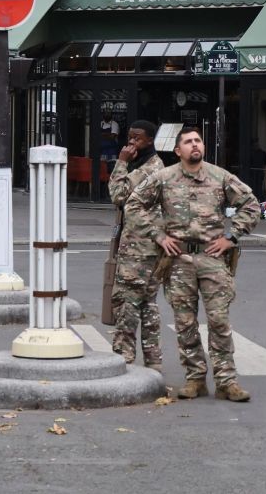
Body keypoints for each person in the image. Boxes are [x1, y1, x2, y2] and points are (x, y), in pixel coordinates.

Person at [126, 126, 260, 402]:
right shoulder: (163, 178)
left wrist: (231, 237)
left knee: (218, 321)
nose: (194, 145)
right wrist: (158, 235)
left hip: (213, 259)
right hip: (178, 261)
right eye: (188, 142)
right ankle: (195, 379)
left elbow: (251, 205)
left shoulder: (220, 176)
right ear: (178, 151)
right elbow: (133, 205)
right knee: (185, 323)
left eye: (198, 140)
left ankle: (226, 382)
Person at [108, 120, 165, 369]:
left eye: (137, 139)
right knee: (146, 305)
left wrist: (121, 161)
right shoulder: (142, 163)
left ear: (150, 140)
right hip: (144, 245)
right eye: (130, 137)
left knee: (127, 304)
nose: (131, 143)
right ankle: (153, 364)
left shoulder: (150, 167)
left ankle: (125, 360)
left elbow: (118, 194)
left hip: (140, 249)